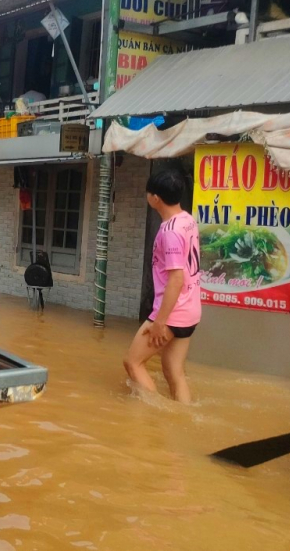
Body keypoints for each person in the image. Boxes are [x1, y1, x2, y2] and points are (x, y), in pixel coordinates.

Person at [123, 169, 200, 404]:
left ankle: (154, 417)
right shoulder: (187, 220)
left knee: (133, 363)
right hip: (190, 311)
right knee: (173, 372)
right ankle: (182, 417)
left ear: (155, 198)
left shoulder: (170, 231)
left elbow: (176, 279)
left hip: (171, 313)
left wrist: (159, 322)